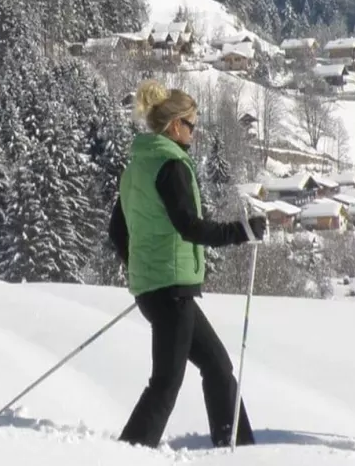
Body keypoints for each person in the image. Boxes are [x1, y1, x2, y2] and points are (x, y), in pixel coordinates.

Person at [109, 80, 269, 449]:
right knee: (166, 383)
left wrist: (142, 268)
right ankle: (127, 452)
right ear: (175, 125)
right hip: (171, 289)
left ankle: (238, 447)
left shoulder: (136, 168)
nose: (195, 133)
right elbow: (189, 226)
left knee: (217, 367)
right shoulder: (171, 165)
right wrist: (241, 231)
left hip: (161, 288)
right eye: (192, 125)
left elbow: (117, 230)